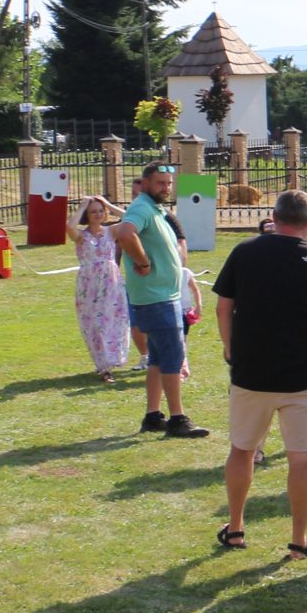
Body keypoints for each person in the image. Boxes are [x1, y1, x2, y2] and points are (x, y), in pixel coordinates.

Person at [211, 190, 307, 558]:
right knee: (301, 461)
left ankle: (237, 527)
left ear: (273, 218)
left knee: (241, 450)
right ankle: (298, 541)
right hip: (304, 376)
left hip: (251, 373)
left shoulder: (245, 251)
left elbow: (223, 308)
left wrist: (230, 349)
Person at [111, 162, 208, 439]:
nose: (166, 188)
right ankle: (178, 419)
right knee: (172, 358)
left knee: (156, 358)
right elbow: (125, 233)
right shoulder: (141, 208)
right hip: (157, 299)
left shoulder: (155, 210)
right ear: (145, 183)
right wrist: (142, 262)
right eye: (160, 183)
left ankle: (153, 416)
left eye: (168, 183)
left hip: (158, 297)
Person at [73, 195, 130, 380]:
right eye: (93, 211)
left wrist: (108, 205)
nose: (97, 214)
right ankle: (103, 365)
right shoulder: (81, 236)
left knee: (112, 320)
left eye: (100, 211)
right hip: (89, 285)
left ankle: (111, 360)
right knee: (94, 325)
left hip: (111, 283)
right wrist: (83, 205)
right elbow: (68, 227)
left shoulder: (111, 232)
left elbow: (131, 217)